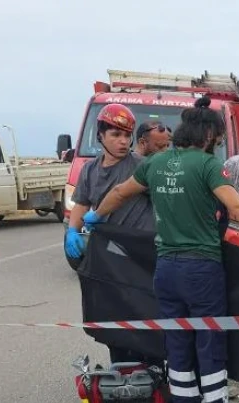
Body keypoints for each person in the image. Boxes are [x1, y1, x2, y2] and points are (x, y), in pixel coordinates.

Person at [86, 96, 239, 403]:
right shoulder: (206, 166)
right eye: (216, 140)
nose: (216, 146)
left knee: (178, 345)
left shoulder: (154, 165)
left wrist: (96, 217)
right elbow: (235, 205)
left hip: (165, 271)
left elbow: (120, 193)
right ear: (209, 137)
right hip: (201, 270)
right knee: (210, 346)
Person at [63, 103, 158, 367]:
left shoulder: (141, 166)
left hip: (140, 254)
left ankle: (150, 370)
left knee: (143, 314)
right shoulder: (90, 170)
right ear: (100, 136)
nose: (123, 141)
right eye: (116, 135)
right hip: (108, 256)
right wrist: (72, 232)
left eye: (127, 135)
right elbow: (80, 204)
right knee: (113, 314)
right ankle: (120, 368)